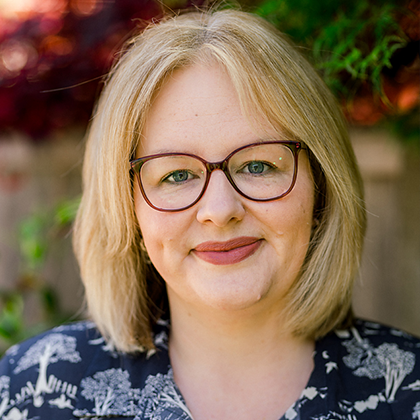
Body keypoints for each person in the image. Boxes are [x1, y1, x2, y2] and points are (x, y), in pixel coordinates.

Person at [0, 8, 419, 420]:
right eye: (177, 175)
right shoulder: (33, 393)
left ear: (321, 187)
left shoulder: (409, 393)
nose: (220, 211)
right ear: (129, 211)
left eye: (258, 166)